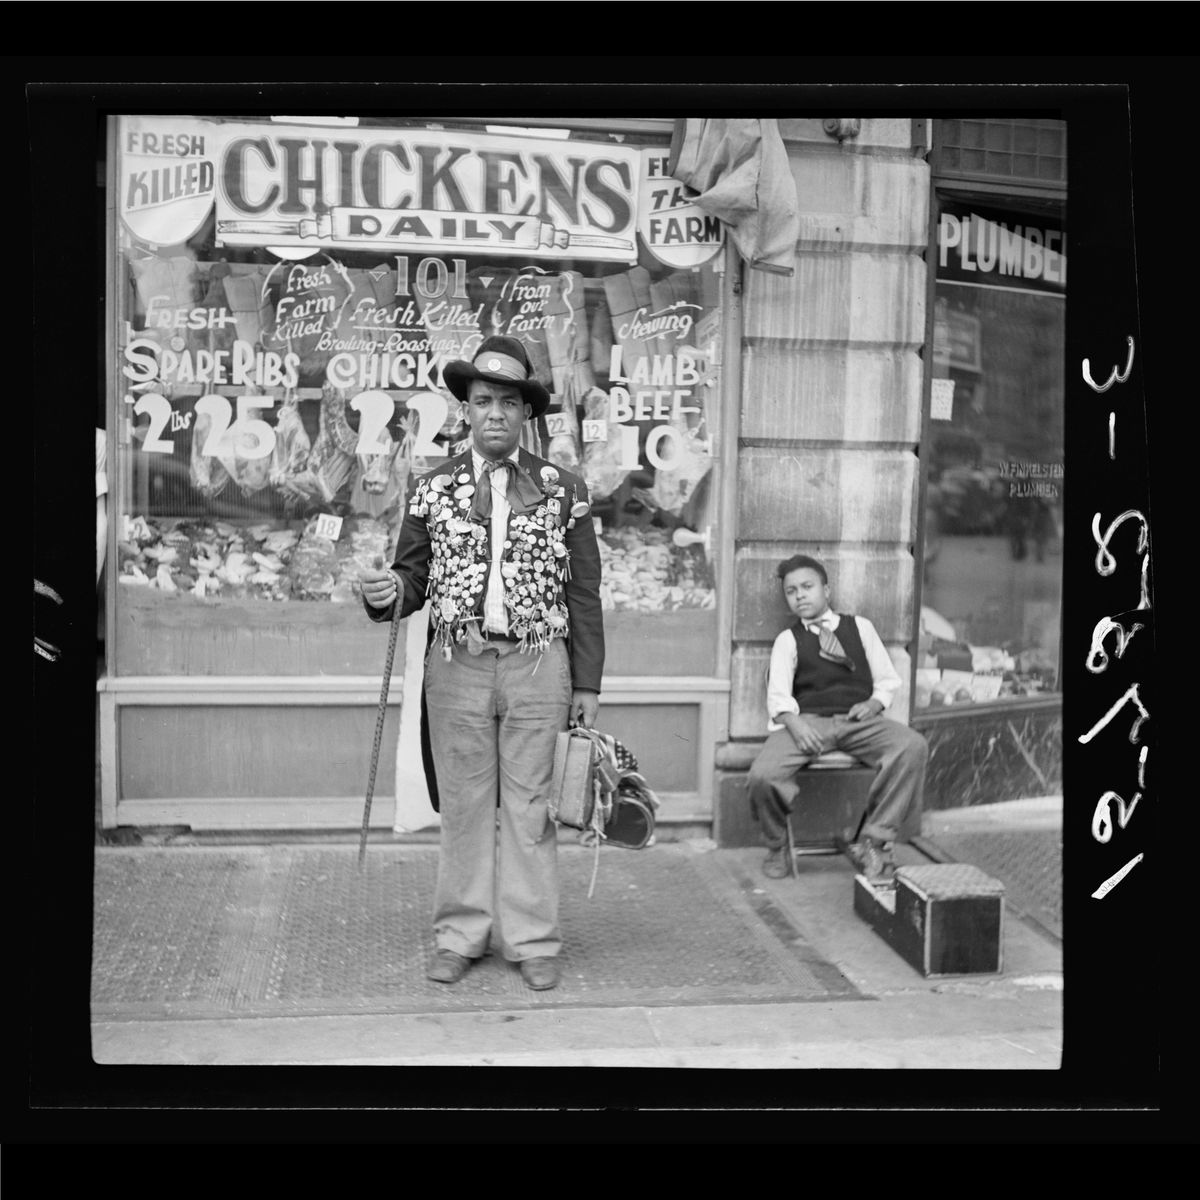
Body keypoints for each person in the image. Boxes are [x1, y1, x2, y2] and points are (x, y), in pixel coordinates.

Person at [361, 336, 604, 992]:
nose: (494, 412)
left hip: (538, 665)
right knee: (466, 806)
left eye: (507, 402)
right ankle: (460, 934)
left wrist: (587, 683)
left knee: (531, 809)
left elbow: (584, 592)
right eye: (481, 400)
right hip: (457, 664)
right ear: (465, 410)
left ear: (526, 413)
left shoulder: (565, 491)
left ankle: (532, 940)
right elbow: (410, 582)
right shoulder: (430, 489)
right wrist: (386, 595)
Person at [747, 554, 928, 882]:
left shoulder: (860, 627)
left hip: (859, 722)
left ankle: (875, 840)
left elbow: (887, 679)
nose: (800, 595)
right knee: (763, 775)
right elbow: (778, 697)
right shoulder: (788, 640)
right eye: (791, 591)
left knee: (912, 746)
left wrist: (874, 704)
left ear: (826, 591)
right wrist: (796, 724)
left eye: (807, 586)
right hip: (809, 722)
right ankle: (777, 845)